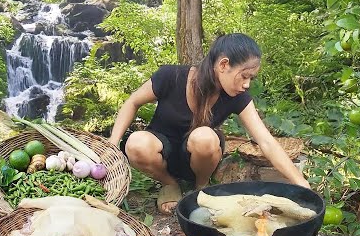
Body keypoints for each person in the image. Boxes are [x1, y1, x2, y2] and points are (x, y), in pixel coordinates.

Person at [108, 33, 311, 214]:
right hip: (161, 154)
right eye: (244, 76)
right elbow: (132, 101)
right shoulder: (171, 76)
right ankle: (169, 184)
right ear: (223, 65)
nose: (247, 84)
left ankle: (201, 187)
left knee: (204, 136)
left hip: (200, 159)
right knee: (135, 143)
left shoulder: (238, 97)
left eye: (251, 78)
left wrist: (301, 183)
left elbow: (266, 142)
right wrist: (112, 142)